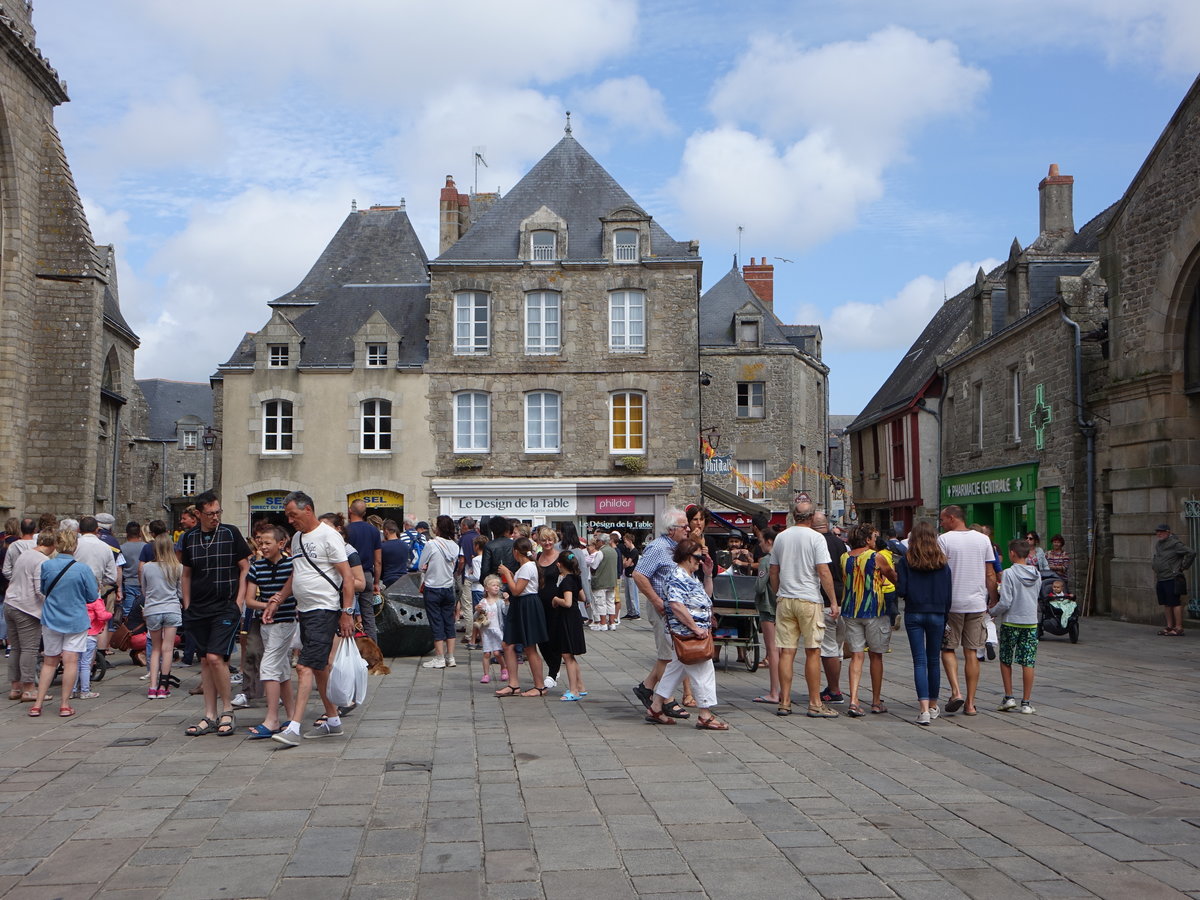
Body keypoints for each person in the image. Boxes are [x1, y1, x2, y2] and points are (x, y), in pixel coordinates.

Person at [269, 491, 356, 746]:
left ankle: (293, 728)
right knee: (318, 668)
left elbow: (348, 578)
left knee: (303, 666)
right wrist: (278, 598)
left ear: (308, 510)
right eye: (287, 516)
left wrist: (346, 613)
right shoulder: (296, 538)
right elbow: (297, 573)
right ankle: (334, 721)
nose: (290, 520)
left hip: (324, 609)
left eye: (293, 515)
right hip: (305, 611)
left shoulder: (329, 536)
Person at [179, 491, 252, 738]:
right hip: (198, 608)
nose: (215, 517)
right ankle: (209, 714)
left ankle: (228, 709)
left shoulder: (230, 533)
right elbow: (186, 573)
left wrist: (239, 601)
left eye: (218, 512)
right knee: (204, 660)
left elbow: (245, 568)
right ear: (198, 514)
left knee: (215, 657)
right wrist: (187, 604)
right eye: (210, 514)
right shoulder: (189, 538)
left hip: (225, 606)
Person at [644, 538, 728, 730]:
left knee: (675, 669)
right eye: (698, 557)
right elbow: (676, 605)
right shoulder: (677, 576)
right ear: (687, 556)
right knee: (703, 671)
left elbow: (704, 597)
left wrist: (707, 575)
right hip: (687, 634)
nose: (700, 561)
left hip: (689, 632)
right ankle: (705, 714)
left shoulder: (689, 575)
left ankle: (656, 707)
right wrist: (695, 627)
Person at [769, 499, 838, 719]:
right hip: (809, 599)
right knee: (813, 651)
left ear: (792, 515)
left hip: (785, 599)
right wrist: (833, 601)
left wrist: (778, 591)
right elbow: (824, 572)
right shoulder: (816, 538)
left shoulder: (781, 537)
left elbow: (773, 570)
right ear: (811, 517)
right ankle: (815, 703)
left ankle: (785, 702)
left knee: (786, 651)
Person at [29, 529, 99, 717]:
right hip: (75, 619)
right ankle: (65, 704)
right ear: (74, 545)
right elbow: (92, 596)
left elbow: (44, 589)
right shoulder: (82, 569)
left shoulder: (47, 566)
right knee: (71, 661)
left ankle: (38, 704)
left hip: (52, 618)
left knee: (49, 661)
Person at [631, 509, 691, 720]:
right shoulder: (658, 547)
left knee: (671, 654)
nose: (688, 529)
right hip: (662, 608)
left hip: (674, 609)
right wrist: (656, 600)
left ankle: (647, 687)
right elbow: (638, 575)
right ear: (671, 529)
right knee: (668, 654)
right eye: (684, 526)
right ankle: (666, 699)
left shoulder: (676, 548)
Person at [938, 505, 998, 716]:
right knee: (972, 652)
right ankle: (971, 704)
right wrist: (993, 598)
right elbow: (990, 573)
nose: (942, 523)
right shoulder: (983, 540)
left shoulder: (944, 540)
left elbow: (939, 571)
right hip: (976, 603)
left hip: (952, 603)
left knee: (947, 648)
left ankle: (956, 692)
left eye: (943, 519)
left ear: (953, 518)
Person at [241, 525, 296, 737]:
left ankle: (272, 719)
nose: (263, 547)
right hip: (266, 624)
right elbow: (249, 600)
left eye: (267, 543)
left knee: (269, 667)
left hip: (285, 622)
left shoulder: (291, 565)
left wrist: (277, 603)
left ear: (281, 544)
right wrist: (269, 604)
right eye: (260, 543)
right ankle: (291, 717)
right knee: (281, 670)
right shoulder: (257, 566)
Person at [897, 520, 952, 725]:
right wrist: (945, 615)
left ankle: (923, 709)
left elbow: (901, 590)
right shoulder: (942, 562)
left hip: (914, 613)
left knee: (919, 661)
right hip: (937, 613)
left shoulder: (906, 561)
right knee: (933, 660)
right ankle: (933, 704)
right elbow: (948, 594)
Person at [839, 524, 896, 717]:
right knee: (876, 655)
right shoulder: (875, 556)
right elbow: (892, 576)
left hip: (850, 610)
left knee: (856, 656)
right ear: (866, 540)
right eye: (873, 537)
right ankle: (876, 701)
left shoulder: (844, 558)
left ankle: (854, 700)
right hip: (874, 610)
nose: (874, 540)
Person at [990, 538, 1042, 713]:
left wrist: (992, 612)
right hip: (1030, 622)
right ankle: (1026, 702)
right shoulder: (1036, 573)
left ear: (1012, 554)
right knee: (1028, 662)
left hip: (1011, 621)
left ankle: (1009, 697)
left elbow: (1005, 601)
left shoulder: (1009, 573)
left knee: (1006, 659)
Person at [5, 530, 55, 702]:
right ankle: (28, 688)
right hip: (27, 608)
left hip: (10, 602)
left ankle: (15, 687)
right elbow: (39, 589)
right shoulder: (41, 560)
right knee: (29, 649)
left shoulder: (25, 554)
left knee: (16, 648)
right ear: (53, 545)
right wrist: (52, 602)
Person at [495, 536, 549, 697]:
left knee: (530, 647)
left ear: (516, 552)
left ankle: (539, 686)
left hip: (527, 604)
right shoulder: (527, 567)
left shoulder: (527, 567)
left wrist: (507, 574)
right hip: (521, 605)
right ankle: (513, 684)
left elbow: (517, 590)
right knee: (508, 644)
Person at [142, 533, 183, 699]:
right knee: (168, 649)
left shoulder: (146, 567)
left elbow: (144, 590)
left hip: (152, 609)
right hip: (172, 608)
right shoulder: (177, 567)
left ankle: (152, 686)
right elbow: (180, 592)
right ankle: (163, 686)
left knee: (155, 649)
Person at [419, 515, 463, 669]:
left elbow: (420, 565)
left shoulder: (431, 544)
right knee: (449, 622)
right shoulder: (455, 546)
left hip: (433, 587)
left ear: (438, 528)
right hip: (448, 586)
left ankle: (439, 657)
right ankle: (450, 657)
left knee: (436, 622)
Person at [813, 512, 848, 704]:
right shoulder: (839, 543)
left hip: (827, 600)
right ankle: (833, 686)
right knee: (838, 647)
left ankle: (834, 690)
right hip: (843, 597)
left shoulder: (817, 542)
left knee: (828, 649)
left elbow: (822, 571)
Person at [551, 551, 588, 701]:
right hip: (574, 617)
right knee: (570, 654)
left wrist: (555, 599)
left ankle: (574, 690)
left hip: (567, 618)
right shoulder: (575, 578)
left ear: (559, 565)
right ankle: (580, 686)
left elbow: (567, 602)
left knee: (567, 654)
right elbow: (582, 597)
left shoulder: (566, 581)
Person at [751, 527, 781, 705]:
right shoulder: (784, 558)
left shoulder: (766, 561)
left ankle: (773, 692)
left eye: (761, 541)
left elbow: (760, 586)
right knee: (785, 651)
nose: (759, 544)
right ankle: (785, 691)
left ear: (769, 541)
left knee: (772, 650)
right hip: (783, 608)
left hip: (768, 607)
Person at [345, 500, 382, 644]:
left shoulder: (346, 531)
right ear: (365, 513)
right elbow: (378, 561)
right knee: (368, 615)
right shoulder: (373, 530)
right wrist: (376, 582)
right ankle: (374, 649)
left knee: (349, 612)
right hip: (367, 575)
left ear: (350, 511)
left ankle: (351, 650)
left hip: (350, 576)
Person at [1152, 523, 1195, 637]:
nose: (1158, 533)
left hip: (1172, 577)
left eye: (1161, 531)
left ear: (1168, 532)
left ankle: (1179, 628)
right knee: (1166, 603)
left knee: (1175, 603)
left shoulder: (1175, 544)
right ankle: (1169, 626)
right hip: (1161, 577)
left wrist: (1183, 567)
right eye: (1157, 531)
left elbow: (1191, 552)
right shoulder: (1159, 544)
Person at [533, 526, 563, 686]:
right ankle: (553, 666)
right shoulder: (537, 557)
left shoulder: (561, 557)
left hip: (555, 603)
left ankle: (553, 672)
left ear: (554, 540)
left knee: (553, 638)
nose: (547, 542)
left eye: (550, 539)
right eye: (544, 540)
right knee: (541, 638)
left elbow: (568, 577)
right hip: (539, 602)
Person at [475, 575, 506, 684]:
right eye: (493, 585)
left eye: (498, 585)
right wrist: (477, 610)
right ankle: (486, 674)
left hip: (497, 629)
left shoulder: (500, 601)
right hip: (486, 631)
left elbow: (506, 613)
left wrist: (507, 602)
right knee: (486, 653)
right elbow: (477, 617)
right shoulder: (483, 601)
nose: (496, 587)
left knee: (497, 653)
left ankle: (503, 668)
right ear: (486, 588)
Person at [119, 521, 147, 625]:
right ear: (139, 532)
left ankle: (128, 631)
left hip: (129, 582)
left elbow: (119, 568)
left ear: (127, 533)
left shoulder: (122, 548)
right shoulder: (146, 547)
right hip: (144, 581)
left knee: (128, 610)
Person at [591, 533, 619, 631]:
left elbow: (594, 566)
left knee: (601, 602)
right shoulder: (613, 551)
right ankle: (612, 623)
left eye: (597, 541)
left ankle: (603, 623)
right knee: (610, 602)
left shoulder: (600, 552)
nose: (596, 543)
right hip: (611, 581)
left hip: (601, 580)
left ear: (601, 541)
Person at [379, 519, 410, 589]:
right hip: (403, 578)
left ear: (386, 531)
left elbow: (379, 563)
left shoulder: (382, 546)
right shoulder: (405, 545)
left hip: (388, 578)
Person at [620, 533, 641, 619]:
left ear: (630, 541)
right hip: (627, 574)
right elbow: (625, 563)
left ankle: (636, 611)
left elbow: (627, 563)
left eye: (625, 542)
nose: (625, 544)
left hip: (632, 575)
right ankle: (630, 611)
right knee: (627, 595)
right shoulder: (628, 551)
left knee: (633, 594)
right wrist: (626, 563)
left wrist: (626, 563)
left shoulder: (634, 551)